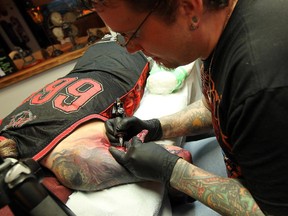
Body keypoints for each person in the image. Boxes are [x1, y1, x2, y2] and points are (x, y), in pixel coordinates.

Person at [96, 0, 288, 215]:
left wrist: (173, 171)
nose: (131, 49)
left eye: (134, 34)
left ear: (189, 8)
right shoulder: (220, 30)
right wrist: (155, 127)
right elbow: (215, 105)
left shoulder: (261, 84)